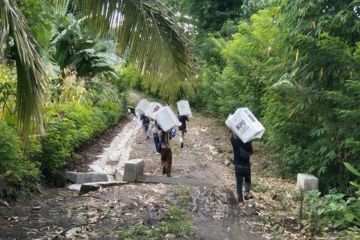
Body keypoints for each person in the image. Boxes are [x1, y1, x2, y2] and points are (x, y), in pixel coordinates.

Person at [230, 132, 253, 203]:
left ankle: (240, 199)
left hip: (238, 167)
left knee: (239, 183)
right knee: (248, 181)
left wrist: (231, 130)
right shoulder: (248, 143)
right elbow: (251, 152)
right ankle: (246, 193)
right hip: (246, 167)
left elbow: (231, 138)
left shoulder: (235, 142)